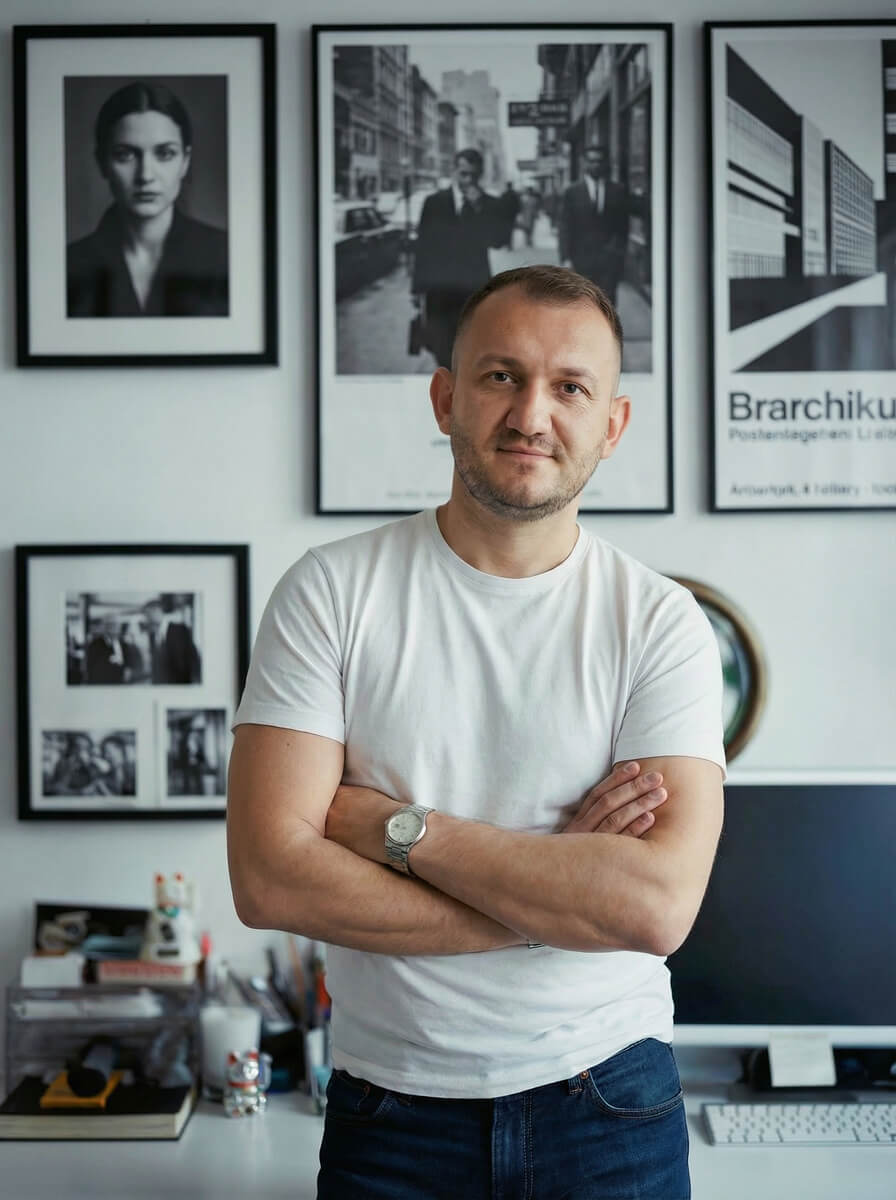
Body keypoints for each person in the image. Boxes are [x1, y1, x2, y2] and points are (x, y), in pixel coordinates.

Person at [228, 265, 725, 1199]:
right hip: (391, 1115)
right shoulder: (330, 593)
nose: (532, 414)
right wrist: (559, 898)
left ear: (611, 426)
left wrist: (395, 831)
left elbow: (655, 908)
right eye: (502, 376)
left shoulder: (660, 623)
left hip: (610, 1106)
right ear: (446, 398)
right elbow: (267, 878)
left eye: (570, 386)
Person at [67, 80, 228, 317]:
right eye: (125, 155)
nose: (145, 175)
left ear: (185, 162)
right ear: (102, 163)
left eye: (165, 154)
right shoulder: (68, 265)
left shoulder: (226, 255)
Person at [411, 148, 503, 368]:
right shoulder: (434, 202)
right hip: (439, 288)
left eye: (473, 175)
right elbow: (423, 246)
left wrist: (480, 207)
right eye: (463, 174)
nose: (468, 180)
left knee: (471, 346)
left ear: (480, 174)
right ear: (454, 171)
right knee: (441, 348)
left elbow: (498, 240)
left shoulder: (488, 204)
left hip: (473, 286)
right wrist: (417, 289)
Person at [558, 143, 640, 307]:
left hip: (609, 257)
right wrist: (566, 257)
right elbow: (565, 226)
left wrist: (618, 251)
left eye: (599, 161)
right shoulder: (572, 192)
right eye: (592, 161)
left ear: (605, 164)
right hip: (581, 257)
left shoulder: (617, 190)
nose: (595, 164)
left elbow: (623, 226)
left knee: (608, 302)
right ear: (585, 163)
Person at [142, 597, 201, 684]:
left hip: (181, 684)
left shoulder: (180, 630)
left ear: (157, 611)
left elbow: (193, 657)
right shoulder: (152, 636)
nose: (146, 619)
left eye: (147, 614)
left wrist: (195, 681)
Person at [84, 616, 125, 684]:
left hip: (120, 684)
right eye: (112, 625)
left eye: (118, 626)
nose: (116, 629)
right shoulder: (95, 645)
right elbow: (93, 669)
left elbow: (126, 661)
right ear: (106, 627)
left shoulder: (122, 644)